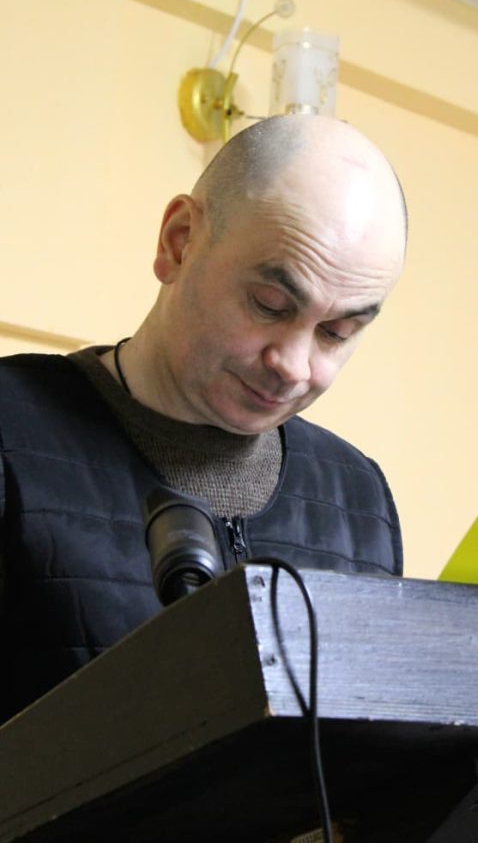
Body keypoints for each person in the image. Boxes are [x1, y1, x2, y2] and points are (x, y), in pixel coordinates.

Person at [0, 114, 407, 721]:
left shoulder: (358, 497)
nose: (293, 366)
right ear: (179, 241)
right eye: (269, 305)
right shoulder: (11, 428)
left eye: (336, 332)